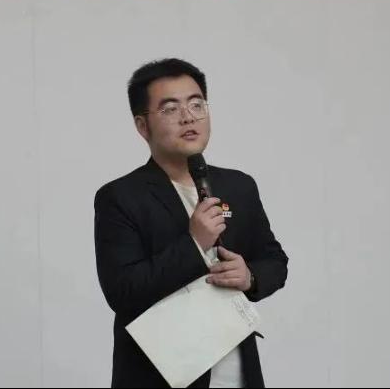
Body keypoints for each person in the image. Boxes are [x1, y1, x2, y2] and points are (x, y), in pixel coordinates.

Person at [94, 58, 289, 388]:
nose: (188, 117)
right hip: (158, 378)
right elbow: (123, 292)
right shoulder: (120, 197)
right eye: (170, 109)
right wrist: (194, 244)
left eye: (197, 104)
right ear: (142, 126)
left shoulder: (239, 186)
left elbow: (274, 261)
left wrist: (250, 276)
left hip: (239, 375)